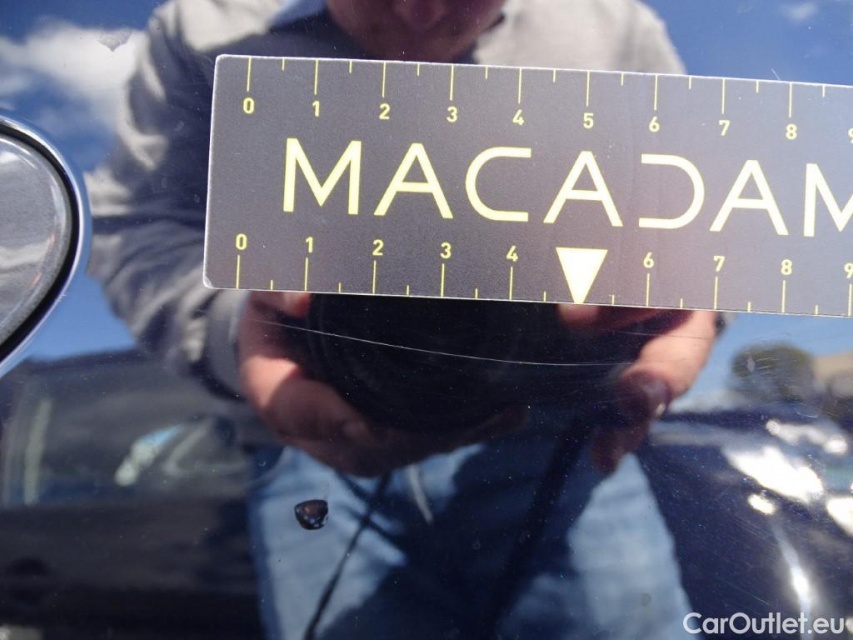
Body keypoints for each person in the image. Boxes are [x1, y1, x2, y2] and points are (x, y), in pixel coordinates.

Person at [88, 0, 719, 637]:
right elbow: (140, 226)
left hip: (562, 435)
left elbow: (706, 212)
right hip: (308, 456)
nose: (422, 12)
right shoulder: (198, 27)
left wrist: (689, 297)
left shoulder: (615, 26)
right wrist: (237, 329)